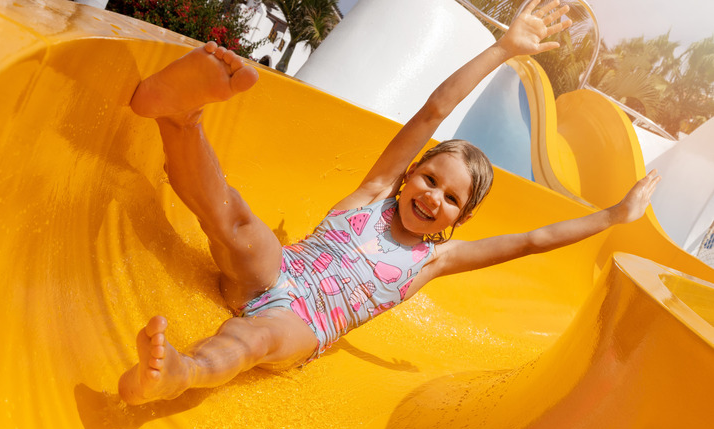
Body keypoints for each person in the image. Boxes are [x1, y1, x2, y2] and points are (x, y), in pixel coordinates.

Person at [118, 0, 661, 405]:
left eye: (451, 199)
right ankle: (179, 116)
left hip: (302, 325)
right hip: (276, 271)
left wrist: (614, 216)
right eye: (429, 179)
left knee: (252, 339)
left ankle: (178, 374)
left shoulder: (435, 261)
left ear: (460, 219)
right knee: (237, 222)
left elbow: (533, 240)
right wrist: (504, 49)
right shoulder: (375, 192)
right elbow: (432, 111)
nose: (434, 196)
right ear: (408, 176)